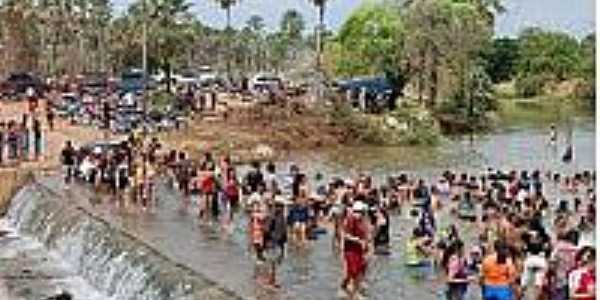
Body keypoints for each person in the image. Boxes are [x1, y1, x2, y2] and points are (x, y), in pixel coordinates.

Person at [341, 201, 368, 299]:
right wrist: (357, 240)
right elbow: (345, 235)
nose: (358, 214)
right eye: (357, 211)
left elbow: (365, 235)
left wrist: (366, 247)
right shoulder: (350, 220)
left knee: (357, 271)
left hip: (359, 250)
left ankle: (345, 287)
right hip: (350, 250)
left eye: (360, 212)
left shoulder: (363, 221)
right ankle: (354, 294)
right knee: (354, 272)